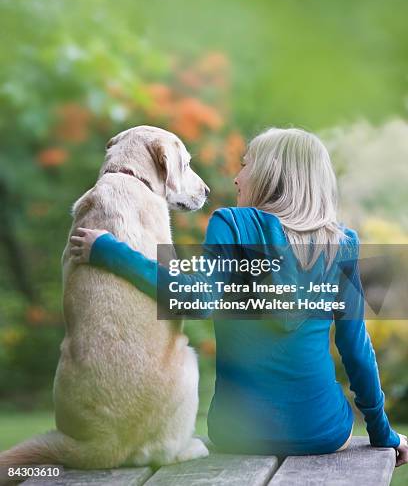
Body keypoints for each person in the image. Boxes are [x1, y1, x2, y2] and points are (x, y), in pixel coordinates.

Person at [70, 127, 408, 466]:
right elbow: (357, 351)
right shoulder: (342, 243)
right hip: (323, 432)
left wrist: (108, 251)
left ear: (270, 173)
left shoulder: (230, 223)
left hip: (237, 433)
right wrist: (383, 434)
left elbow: (195, 301)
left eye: (245, 165)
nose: (236, 177)